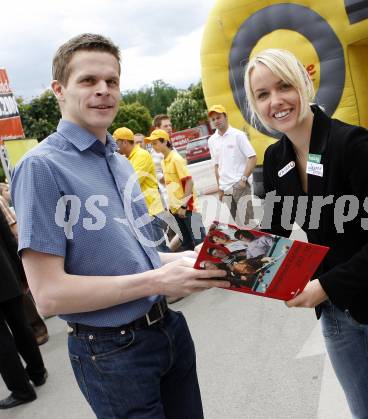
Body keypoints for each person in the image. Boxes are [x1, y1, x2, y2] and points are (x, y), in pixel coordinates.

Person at [11, 33, 229, 418]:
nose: (103, 91)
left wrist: (180, 261)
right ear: (59, 90)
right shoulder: (40, 167)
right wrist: (159, 280)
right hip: (111, 351)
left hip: (168, 329)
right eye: (88, 81)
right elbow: (49, 295)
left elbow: (131, 254)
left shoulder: (118, 159)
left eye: (111, 81)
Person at [244, 48, 368, 418]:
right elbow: (274, 232)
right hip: (335, 312)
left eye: (284, 86)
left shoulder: (351, 144)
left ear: (304, 82)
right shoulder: (276, 159)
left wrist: (327, 286)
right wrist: (221, 259)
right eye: (263, 94)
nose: (276, 101)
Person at [0, 209, 47, 409]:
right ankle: (37, 372)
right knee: (20, 324)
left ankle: (21, 389)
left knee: (1, 339)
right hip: (6, 273)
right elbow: (8, 236)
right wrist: (21, 271)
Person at [146, 129, 206, 251]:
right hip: (176, 210)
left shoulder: (176, 158)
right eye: (152, 144)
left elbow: (189, 182)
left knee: (200, 243)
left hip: (188, 210)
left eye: (155, 143)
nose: (153, 146)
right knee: (187, 245)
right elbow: (170, 183)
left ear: (165, 142)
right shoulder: (164, 161)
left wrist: (184, 206)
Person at [113, 126, 169, 252]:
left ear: (125, 142)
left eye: (116, 143)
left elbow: (132, 184)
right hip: (143, 213)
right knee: (155, 252)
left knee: (160, 251)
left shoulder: (141, 155)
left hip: (151, 211)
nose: (115, 147)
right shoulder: (128, 158)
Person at [207, 105, 257, 226]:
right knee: (239, 224)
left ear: (225, 117)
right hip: (225, 188)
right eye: (213, 119)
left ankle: (265, 243)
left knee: (249, 223)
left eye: (218, 117)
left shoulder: (238, 135)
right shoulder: (212, 140)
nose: (216, 121)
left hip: (239, 185)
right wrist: (220, 188)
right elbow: (216, 166)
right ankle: (250, 244)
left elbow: (252, 157)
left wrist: (243, 180)